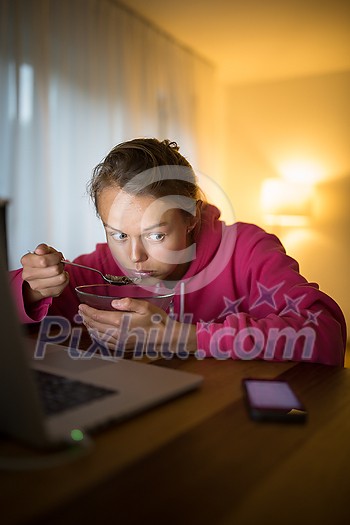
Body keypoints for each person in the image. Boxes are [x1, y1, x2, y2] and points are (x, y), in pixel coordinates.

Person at [10, 138, 346, 365]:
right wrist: (29, 290)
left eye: (155, 235)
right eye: (119, 234)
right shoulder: (100, 267)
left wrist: (182, 337)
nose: (134, 256)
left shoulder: (247, 251)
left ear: (191, 217)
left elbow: (326, 334)